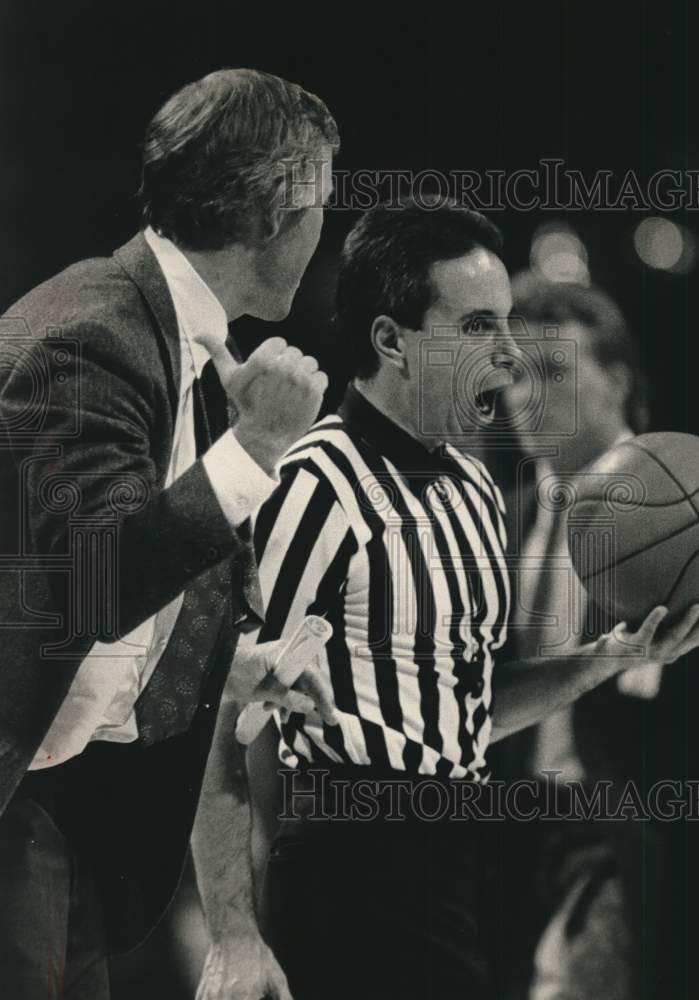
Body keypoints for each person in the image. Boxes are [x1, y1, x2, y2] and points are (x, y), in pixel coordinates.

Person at [192, 200, 699, 1000]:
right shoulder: (313, 482)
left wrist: (602, 661)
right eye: (479, 326)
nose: (510, 357)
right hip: (350, 864)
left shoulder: (477, 487)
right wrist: (235, 935)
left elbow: (465, 711)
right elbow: (216, 719)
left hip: (461, 862)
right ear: (391, 341)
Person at [0, 67, 338, 999]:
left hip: (59, 803)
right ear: (276, 213)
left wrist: (227, 666)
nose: (326, 235)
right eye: (322, 208)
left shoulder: (169, 334)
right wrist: (259, 446)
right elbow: (97, 583)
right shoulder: (94, 331)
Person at [487, 272, 699, 1000]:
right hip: (510, 848)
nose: (525, 394)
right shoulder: (498, 518)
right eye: (512, 374)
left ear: (615, 380)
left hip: (642, 851)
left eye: (551, 370)